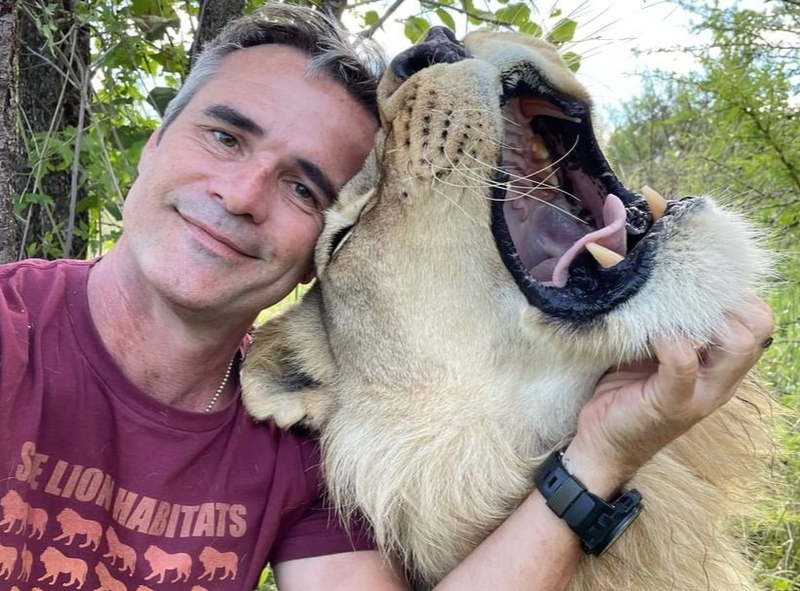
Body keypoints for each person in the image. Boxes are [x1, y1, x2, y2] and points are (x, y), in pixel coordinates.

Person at [0, 3, 774, 590]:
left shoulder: (292, 454)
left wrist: (602, 456)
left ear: (304, 264)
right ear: (152, 147)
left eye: (308, 188)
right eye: (225, 137)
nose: (240, 195)